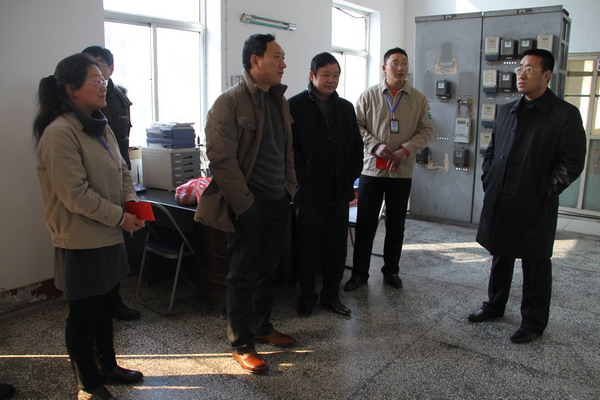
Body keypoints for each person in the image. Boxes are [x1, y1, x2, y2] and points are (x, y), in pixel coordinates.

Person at [34, 53, 144, 399]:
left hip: (109, 232)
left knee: (106, 307)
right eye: (95, 81)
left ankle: (108, 366)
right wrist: (120, 217)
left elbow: (122, 169)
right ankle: (89, 381)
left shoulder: (100, 124)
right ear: (71, 88)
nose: (103, 86)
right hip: (80, 238)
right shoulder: (60, 132)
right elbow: (75, 195)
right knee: (84, 314)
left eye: (104, 80)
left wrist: (130, 203)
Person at [468, 49, 586, 344]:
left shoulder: (564, 114)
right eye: (520, 68)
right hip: (502, 195)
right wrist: (489, 178)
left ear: (547, 75)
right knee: (500, 253)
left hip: (535, 200)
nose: (521, 74)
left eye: (529, 69)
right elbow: (491, 152)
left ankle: (533, 321)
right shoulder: (507, 110)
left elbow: (572, 163)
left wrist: (545, 190)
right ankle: (494, 305)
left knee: (535, 261)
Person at [195, 34, 297, 374]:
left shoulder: (279, 100)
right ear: (255, 60)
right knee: (242, 275)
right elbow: (222, 162)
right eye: (277, 57)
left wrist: (290, 189)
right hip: (249, 205)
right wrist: (246, 207)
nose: (283, 64)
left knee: (269, 270)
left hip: (278, 200)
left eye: (283, 57)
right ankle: (241, 342)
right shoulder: (229, 103)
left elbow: (286, 151)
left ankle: (262, 326)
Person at [344, 47, 433, 292]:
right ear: (384, 67)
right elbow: (356, 126)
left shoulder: (418, 98)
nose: (400, 67)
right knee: (366, 225)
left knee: (396, 225)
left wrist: (406, 150)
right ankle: (359, 273)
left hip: (401, 171)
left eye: (404, 63)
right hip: (372, 170)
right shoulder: (369, 95)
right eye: (395, 63)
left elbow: (427, 130)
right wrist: (375, 146)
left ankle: (391, 270)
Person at [288, 52, 363, 317]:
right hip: (309, 191)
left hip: (339, 191)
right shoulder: (294, 106)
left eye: (336, 75)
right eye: (326, 75)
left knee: (336, 249)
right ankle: (306, 297)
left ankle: (331, 296)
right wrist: (303, 175)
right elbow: (290, 149)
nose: (331, 80)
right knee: (307, 249)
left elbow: (356, 146)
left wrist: (351, 175)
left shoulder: (345, 108)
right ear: (312, 75)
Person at [82, 45, 140, 321]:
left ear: (110, 68)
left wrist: (129, 193)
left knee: (118, 250)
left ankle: (113, 302)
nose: (95, 73)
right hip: (95, 188)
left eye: (97, 66)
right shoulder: (69, 124)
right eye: (88, 67)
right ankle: (101, 304)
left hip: (120, 177)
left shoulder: (118, 100)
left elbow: (121, 148)